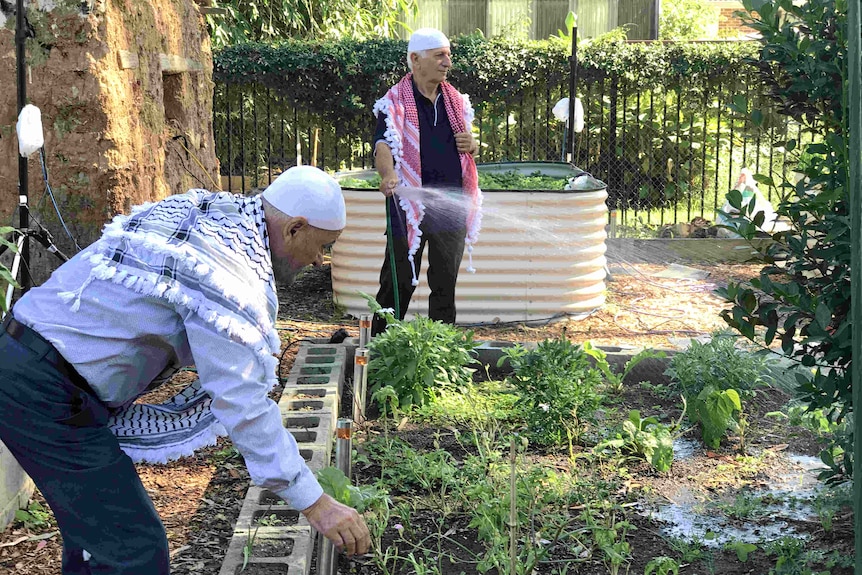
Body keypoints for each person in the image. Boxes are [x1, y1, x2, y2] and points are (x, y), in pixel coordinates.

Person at [0, 165, 371, 574]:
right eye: (322, 246)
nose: (320, 261)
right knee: (132, 548)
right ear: (294, 228)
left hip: (32, 365)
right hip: (41, 390)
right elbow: (242, 402)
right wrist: (316, 505)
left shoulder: (217, 216)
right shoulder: (226, 270)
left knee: (103, 539)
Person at [370, 28, 484, 335]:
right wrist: (388, 174)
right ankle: (381, 348)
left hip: (450, 207)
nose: (447, 62)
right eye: (439, 56)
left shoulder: (456, 102)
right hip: (408, 206)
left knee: (445, 287)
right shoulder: (394, 102)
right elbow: (382, 144)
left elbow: (469, 148)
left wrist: (471, 145)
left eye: (448, 55)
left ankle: (439, 351)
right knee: (397, 285)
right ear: (415, 60)